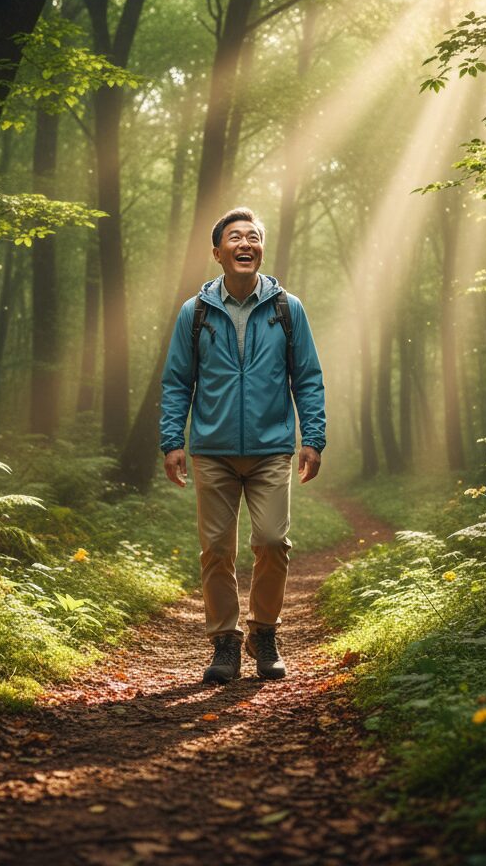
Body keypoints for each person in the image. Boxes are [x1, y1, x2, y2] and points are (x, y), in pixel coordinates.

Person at [160, 207, 326, 684]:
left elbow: (308, 379)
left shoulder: (286, 308)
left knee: (273, 542)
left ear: (260, 250)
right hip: (211, 449)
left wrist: (311, 437)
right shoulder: (194, 313)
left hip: (272, 447)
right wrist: (173, 441)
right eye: (235, 237)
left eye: (253, 237)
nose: (245, 243)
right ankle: (225, 643)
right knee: (216, 549)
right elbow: (176, 383)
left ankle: (265, 632)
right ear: (218, 252)